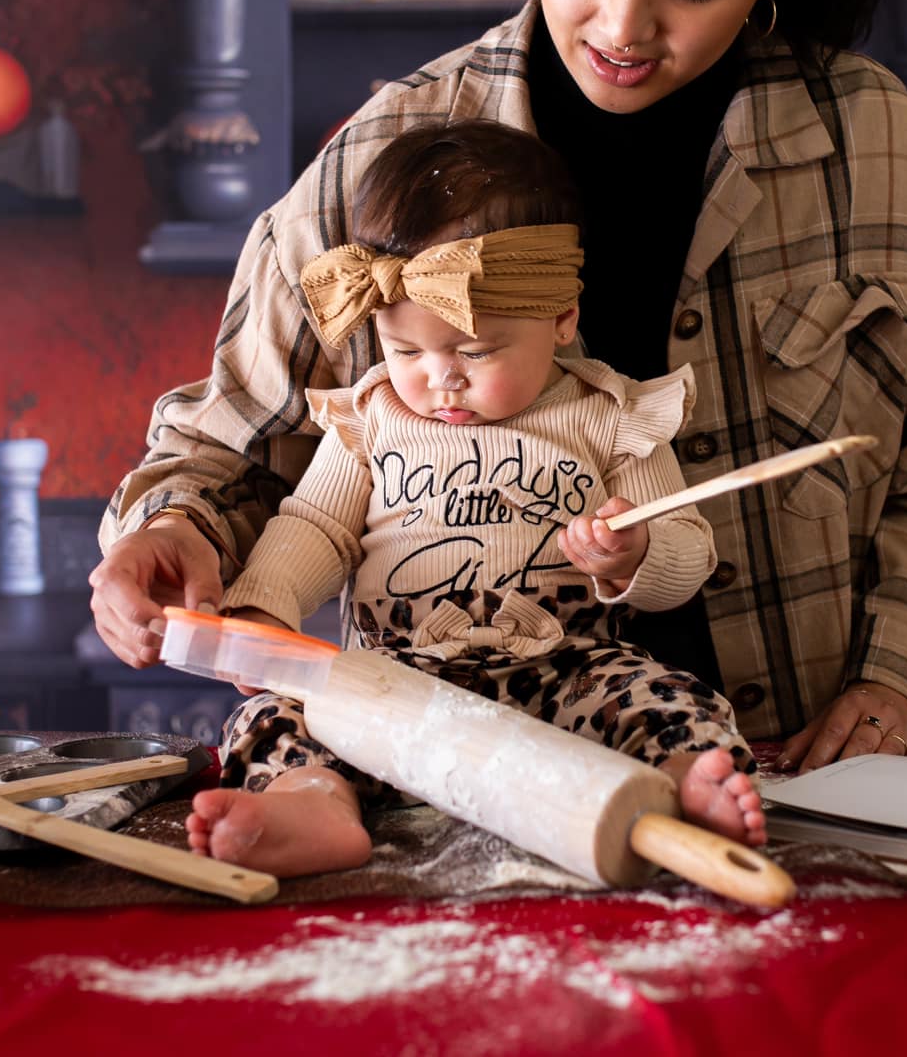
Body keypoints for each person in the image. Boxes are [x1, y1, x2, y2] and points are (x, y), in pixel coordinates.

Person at [90, 0, 907, 780]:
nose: (621, 26)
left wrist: (889, 679)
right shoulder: (389, 153)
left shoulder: (872, 145)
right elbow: (226, 452)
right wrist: (175, 536)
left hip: (778, 782)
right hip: (451, 784)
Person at [177, 121, 765, 875]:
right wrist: (265, 608)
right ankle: (315, 802)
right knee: (275, 713)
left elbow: (687, 550)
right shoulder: (375, 417)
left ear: (562, 319)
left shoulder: (610, 418)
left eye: (475, 352)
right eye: (405, 350)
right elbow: (315, 526)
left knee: (672, 700)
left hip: (565, 676)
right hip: (393, 686)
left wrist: (638, 550)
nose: (438, 378)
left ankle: (685, 786)